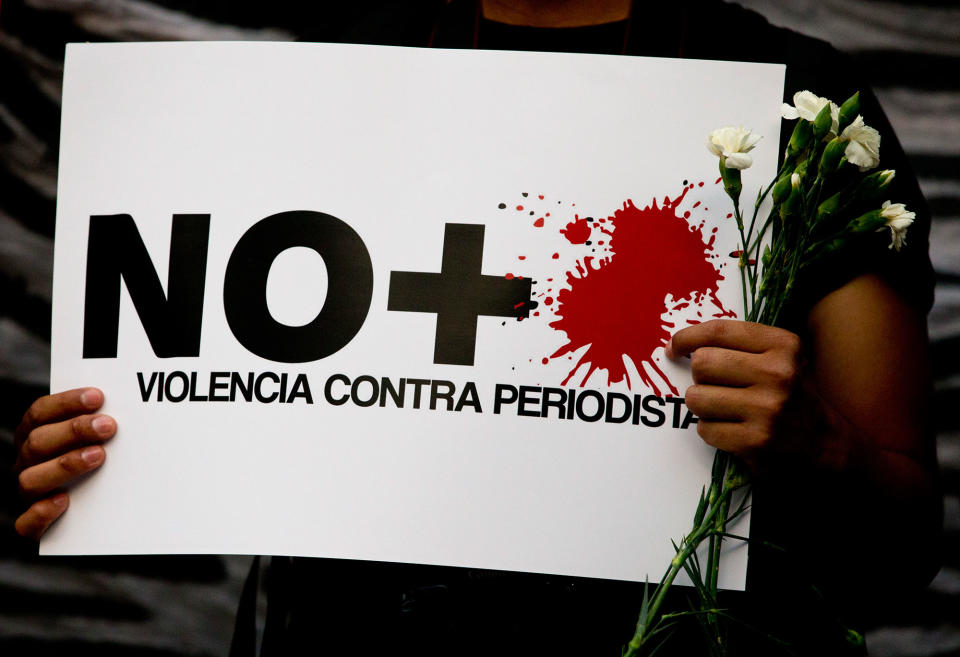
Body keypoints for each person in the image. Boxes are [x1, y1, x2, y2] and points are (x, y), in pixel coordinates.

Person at [14, 1, 941, 654]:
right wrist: (86, 461)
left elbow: (901, 554)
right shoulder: (324, 71)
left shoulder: (800, 101)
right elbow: (212, 387)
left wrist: (820, 449)